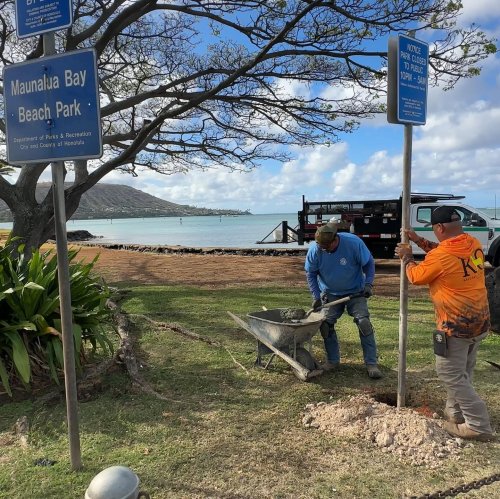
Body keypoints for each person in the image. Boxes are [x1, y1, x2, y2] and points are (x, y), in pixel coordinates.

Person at [395, 205, 493, 441]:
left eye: (433, 229)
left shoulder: (442, 256)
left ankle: (478, 425)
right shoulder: (471, 243)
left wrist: (407, 257)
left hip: (456, 326)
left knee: (450, 373)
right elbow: (442, 252)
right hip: (479, 321)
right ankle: (455, 414)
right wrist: (418, 241)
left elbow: (416, 276)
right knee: (463, 371)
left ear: (439, 228)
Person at [304, 223, 382, 379]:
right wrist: (316, 296)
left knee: (363, 323)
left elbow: (368, 264)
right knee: (325, 325)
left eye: (327, 246)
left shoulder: (353, 243)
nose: (324, 249)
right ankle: (333, 361)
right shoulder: (315, 250)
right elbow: (311, 273)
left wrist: (368, 284)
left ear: (335, 239)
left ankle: (371, 363)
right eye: (321, 246)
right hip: (330, 293)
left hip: (356, 292)